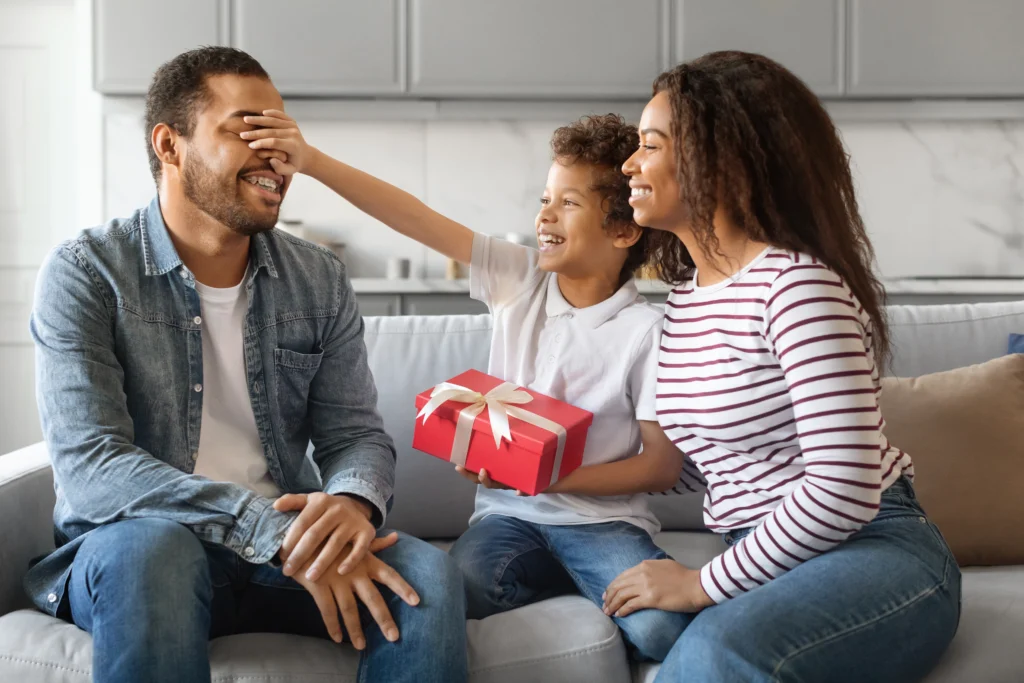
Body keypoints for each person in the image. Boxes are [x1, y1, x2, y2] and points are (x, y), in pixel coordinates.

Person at [24, 46, 467, 683]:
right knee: (155, 550)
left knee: (426, 575)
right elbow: (93, 468)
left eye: (280, 132)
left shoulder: (317, 278)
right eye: (245, 128)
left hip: (283, 552)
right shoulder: (87, 272)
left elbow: (355, 436)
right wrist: (265, 527)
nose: (276, 153)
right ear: (170, 145)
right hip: (139, 548)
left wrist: (349, 505)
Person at [241, 110, 706, 661]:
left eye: (569, 203)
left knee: (660, 632)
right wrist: (313, 163)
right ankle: (575, 586)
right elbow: (414, 218)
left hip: (605, 525)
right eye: (544, 200)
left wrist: (548, 479)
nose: (545, 217)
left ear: (624, 230)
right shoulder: (520, 280)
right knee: (446, 593)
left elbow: (661, 466)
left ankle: (590, 582)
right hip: (507, 519)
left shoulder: (648, 331)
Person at [603, 51, 961, 682]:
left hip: (872, 547)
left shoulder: (796, 287)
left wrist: (699, 585)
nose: (630, 164)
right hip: (765, 553)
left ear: (723, 160)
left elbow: (844, 489)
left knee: (719, 654)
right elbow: (709, 463)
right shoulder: (687, 297)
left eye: (651, 145)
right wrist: (557, 459)